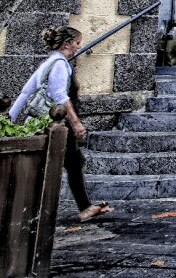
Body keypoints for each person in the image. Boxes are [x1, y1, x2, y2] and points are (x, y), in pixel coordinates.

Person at [8, 26, 113, 223]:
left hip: (46, 124)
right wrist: (76, 123)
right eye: (76, 43)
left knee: (72, 162)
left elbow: (25, 92)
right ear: (66, 44)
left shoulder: (49, 63)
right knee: (61, 164)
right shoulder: (59, 64)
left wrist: (10, 119)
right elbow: (60, 96)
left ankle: (83, 207)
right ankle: (38, 210)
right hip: (55, 125)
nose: (78, 47)